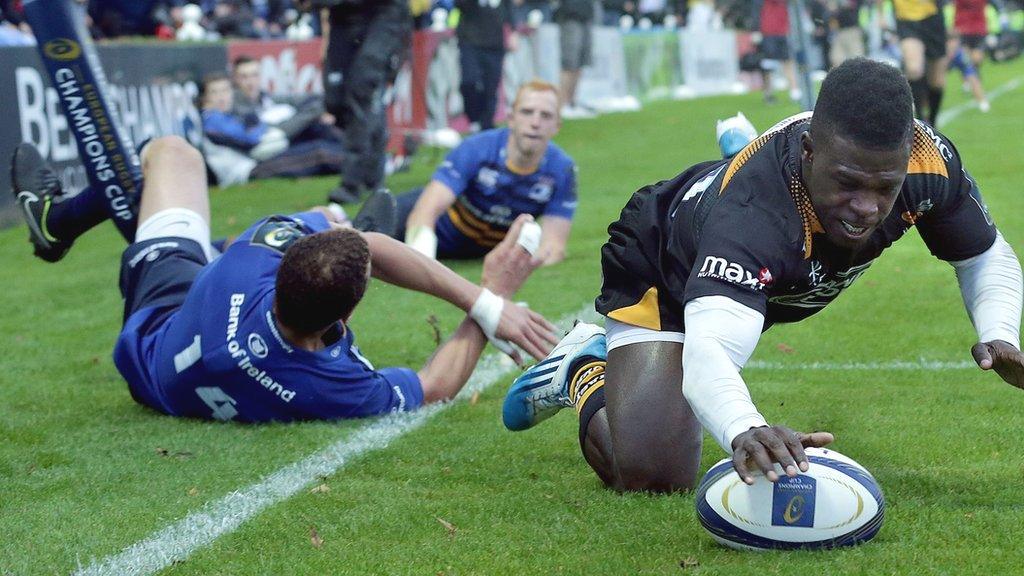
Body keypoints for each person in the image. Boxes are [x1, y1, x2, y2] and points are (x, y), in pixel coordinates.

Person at [502, 58, 1023, 492]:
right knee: (653, 475)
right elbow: (710, 353)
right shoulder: (754, 215)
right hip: (666, 265)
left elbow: (983, 256)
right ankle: (583, 370)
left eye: (884, 187)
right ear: (809, 152)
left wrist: (999, 331)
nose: (866, 208)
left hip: (766, 270)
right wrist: (745, 427)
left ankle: (738, 149)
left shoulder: (929, 162)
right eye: (847, 183)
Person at [9, 135, 558, 422]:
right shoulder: (330, 387)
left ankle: (58, 220)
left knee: (170, 153)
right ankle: (341, 254)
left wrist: (338, 232)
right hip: (176, 325)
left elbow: (370, 245)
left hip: (166, 320)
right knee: (340, 228)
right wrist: (494, 298)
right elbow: (435, 386)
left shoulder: (250, 261)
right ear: (346, 316)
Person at [395, 81, 576, 264]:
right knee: (374, 230)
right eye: (527, 112)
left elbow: (554, 246)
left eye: (546, 116)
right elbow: (425, 211)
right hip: (432, 231)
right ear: (511, 118)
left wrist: (530, 263)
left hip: (486, 251)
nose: (535, 123)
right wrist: (424, 262)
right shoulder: (475, 148)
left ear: (557, 126)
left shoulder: (562, 169)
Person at [301, 0, 411, 205]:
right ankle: (374, 174)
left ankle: (351, 184)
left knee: (362, 90)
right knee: (336, 101)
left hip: (383, 17)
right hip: (342, 20)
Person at [199, 73, 344, 185]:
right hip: (248, 171)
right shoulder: (212, 119)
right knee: (319, 153)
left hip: (257, 161)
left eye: (225, 91)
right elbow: (251, 140)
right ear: (205, 98)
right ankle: (359, 165)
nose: (221, 97)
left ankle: (359, 157)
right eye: (215, 92)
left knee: (317, 132)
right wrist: (259, 125)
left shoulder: (226, 115)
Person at [455, 0, 518, 133]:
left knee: (491, 86)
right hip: (469, 40)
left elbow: (509, 7)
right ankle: (473, 118)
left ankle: (487, 126)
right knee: (469, 81)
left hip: (494, 42)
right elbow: (460, 5)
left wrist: (513, 31)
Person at [888, 0, 948, 126]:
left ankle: (932, 120)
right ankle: (920, 121)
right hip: (906, 19)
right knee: (914, 69)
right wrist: (881, 15)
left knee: (937, 81)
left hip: (932, 18)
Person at [752, 0, 801, 104]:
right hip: (768, 34)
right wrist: (756, 30)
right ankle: (768, 93)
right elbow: (756, 13)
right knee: (768, 66)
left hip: (782, 33)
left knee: (787, 62)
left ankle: (794, 91)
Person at [555, 0, 596, 119]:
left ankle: (572, 101)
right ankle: (562, 104)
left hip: (585, 16)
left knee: (579, 63)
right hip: (570, 17)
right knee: (569, 64)